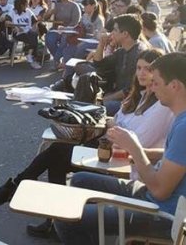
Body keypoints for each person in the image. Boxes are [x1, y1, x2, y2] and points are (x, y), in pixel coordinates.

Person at [0, 49, 173, 240]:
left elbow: (135, 140)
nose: (141, 73)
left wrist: (115, 128)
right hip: (114, 154)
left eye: (148, 70)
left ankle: (21, 192)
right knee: (57, 154)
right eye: (139, 68)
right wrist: (114, 128)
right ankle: (48, 215)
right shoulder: (140, 96)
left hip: (123, 163)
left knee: (57, 153)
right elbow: (116, 124)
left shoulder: (161, 107)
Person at [54, 52, 186, 244]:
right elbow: (176, 158)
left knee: (65, 217)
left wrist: (136, 149)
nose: (151, 87)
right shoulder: (180, 119)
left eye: (156, 82)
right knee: (79, 179)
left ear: (174, 86)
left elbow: (160, 191)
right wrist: (147, 153)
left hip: (163, 214)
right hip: (153, 196)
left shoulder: (183, 126)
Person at [90, 14, 150, 115]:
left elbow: (130, 90)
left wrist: (105, 99)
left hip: (131, 101)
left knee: (96, 109)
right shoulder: (122, 51)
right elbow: (98, 64)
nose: (112, 33)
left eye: (115, 30)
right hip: (117, 94)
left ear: (125, 34)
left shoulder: (138, 55)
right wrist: (102, 43)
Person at [43, 0, 81, 69]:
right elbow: (45, 19)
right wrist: (50, 12)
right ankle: (61, 59)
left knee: (64, 38)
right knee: (49, 38)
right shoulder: (56, 5)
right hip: (56, 29)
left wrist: (65, 28)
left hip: (69, 29)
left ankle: (56, 60)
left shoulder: (74, 6)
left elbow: (76, 21)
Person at [5, 0, 40, 69]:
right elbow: (7, 22)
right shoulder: (13, 12)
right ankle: (30, 55)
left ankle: (29, 53)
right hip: (18, 33)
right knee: (33, 37)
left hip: (28, 31)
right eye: (26, 4)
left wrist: (33, 28)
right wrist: (15, 26)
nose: (27, 5)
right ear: (21, 5)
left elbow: (35, 22)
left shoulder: (28, 11)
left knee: (33, 34)